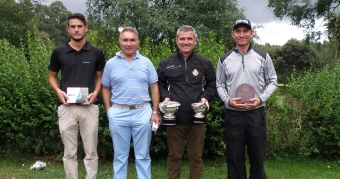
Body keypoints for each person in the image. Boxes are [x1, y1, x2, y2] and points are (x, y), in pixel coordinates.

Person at [216, 18, 278, 179]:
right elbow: (219, 84)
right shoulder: (224, 59)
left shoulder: (263, 56)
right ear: (233, 34)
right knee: (234, 156)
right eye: (238, 31)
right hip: (233, 114)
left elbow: (273, 81)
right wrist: (228, 100)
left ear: (252, 33)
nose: (242, 34)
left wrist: (261, 99)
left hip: (256, 113)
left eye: (245, 31)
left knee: (257, 156)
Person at [48, 13, 106, 179]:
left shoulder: (96, 52)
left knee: (91, 152)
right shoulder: (59, 52)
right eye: (72, 26)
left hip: (89, 107)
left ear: (86, 28)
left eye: (79, 26)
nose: (76, 29)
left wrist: (95, 93)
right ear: (68, 29)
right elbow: (52, 76)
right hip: (67, 108)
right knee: (69, 153)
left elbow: (100, 77)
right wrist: (59, 92)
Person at [157, 25, 216, 179]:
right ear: (176, 41)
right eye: (182, 39)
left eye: (189, 38)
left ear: (195, 41)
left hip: (197, 118)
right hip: (174, 119)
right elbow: (159, 84)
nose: (186, 42)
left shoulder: (205, 63)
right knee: (174, 156)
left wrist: (206, 97)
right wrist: (166, 97)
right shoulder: (166, 63)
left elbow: (212, 85)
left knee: (196, 157)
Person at [101, 27, 160, 179]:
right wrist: (109, 111)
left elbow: (154, 87)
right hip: (118, 113)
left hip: (143, 112)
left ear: (138, 42)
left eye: (132, 40)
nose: (129, 43)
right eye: (125, 40)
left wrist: (155, 112)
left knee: (143, 155)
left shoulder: (146, 62)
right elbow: (105, 88)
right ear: (120, 42)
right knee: (120, 156)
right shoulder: (110, 64)